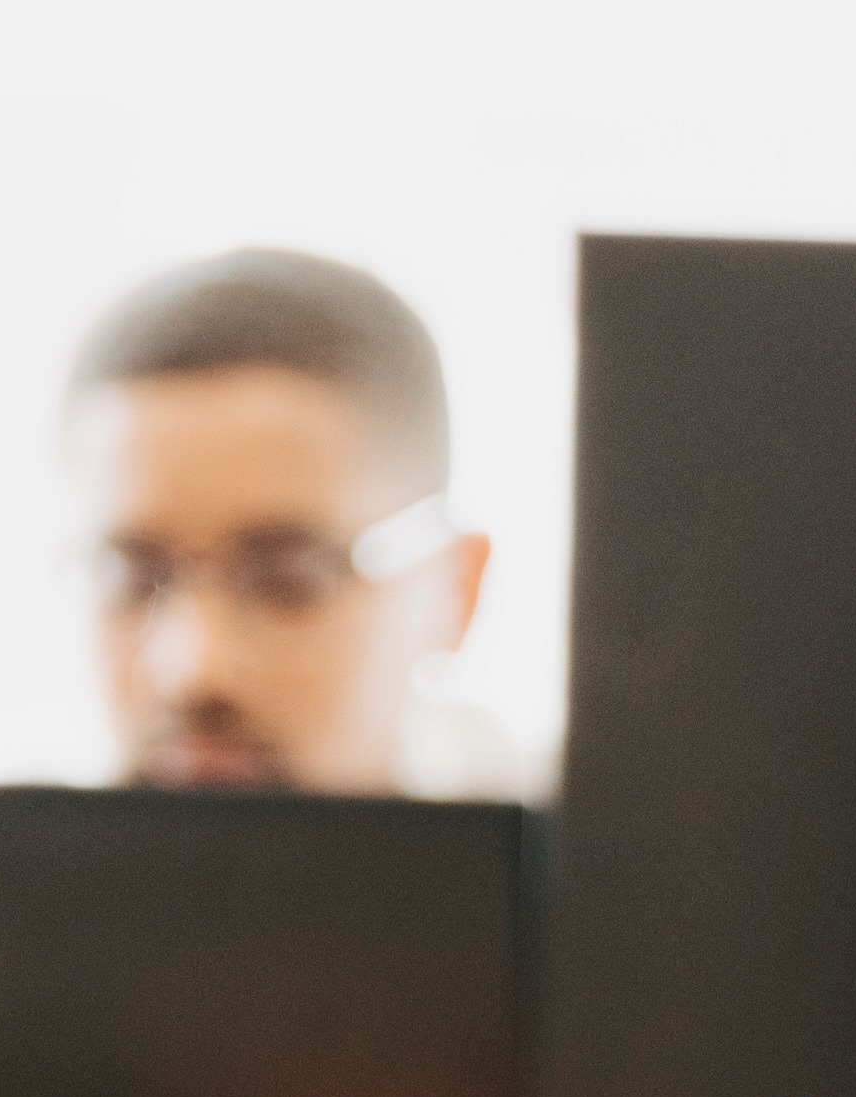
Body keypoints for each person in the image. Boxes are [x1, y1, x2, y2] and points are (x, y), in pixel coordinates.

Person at [63, 247, 521, 798]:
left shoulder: (609, 868)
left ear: (457, 591)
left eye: (287, 579)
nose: (192, 669)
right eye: (129, 578)